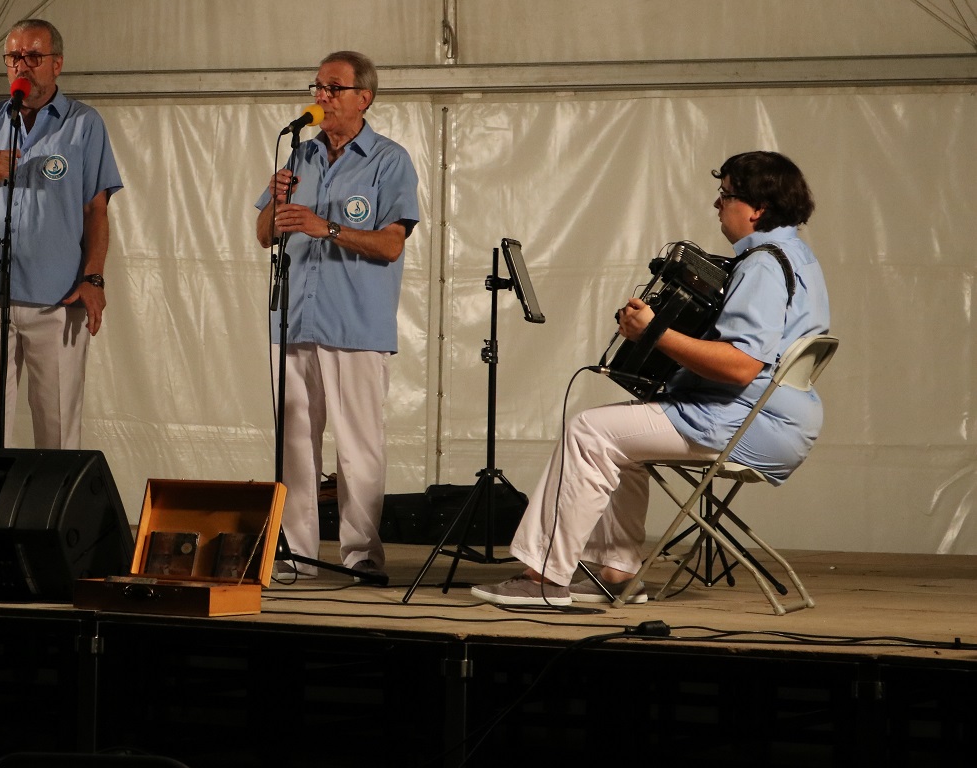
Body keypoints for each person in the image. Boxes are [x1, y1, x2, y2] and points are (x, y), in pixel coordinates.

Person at [471, 150, 830, 607]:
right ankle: (617, 574)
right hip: (781, 420)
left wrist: (655, 332)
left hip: (749, 420)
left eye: (725, 197)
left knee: (589, 430)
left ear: (756, 208)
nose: (716, 206)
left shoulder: (761, 264)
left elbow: (741, 365)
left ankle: (542, 576)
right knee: (622, 445)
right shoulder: (797, 254)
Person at [254, 50, 420, 577]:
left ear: (363, 97)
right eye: (317, 87)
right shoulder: (298, 155)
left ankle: (360, 556)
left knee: (357, 448)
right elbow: (264, 236)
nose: (320, 97)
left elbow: (391, 244)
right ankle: (298, 556)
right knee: (295, 447)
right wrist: (273, 206)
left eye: (332, 88)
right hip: (295, 321)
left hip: (355, 325)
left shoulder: (389, 160)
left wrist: (323, 226)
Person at [0, 18, 122, 449]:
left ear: (56, 64)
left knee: (57, 430)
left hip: (56, 300)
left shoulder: (83, 124)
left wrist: (93, 277)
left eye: (33, 57)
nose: (22, 66)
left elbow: (96, 211)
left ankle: (53, 517)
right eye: (13, 57)